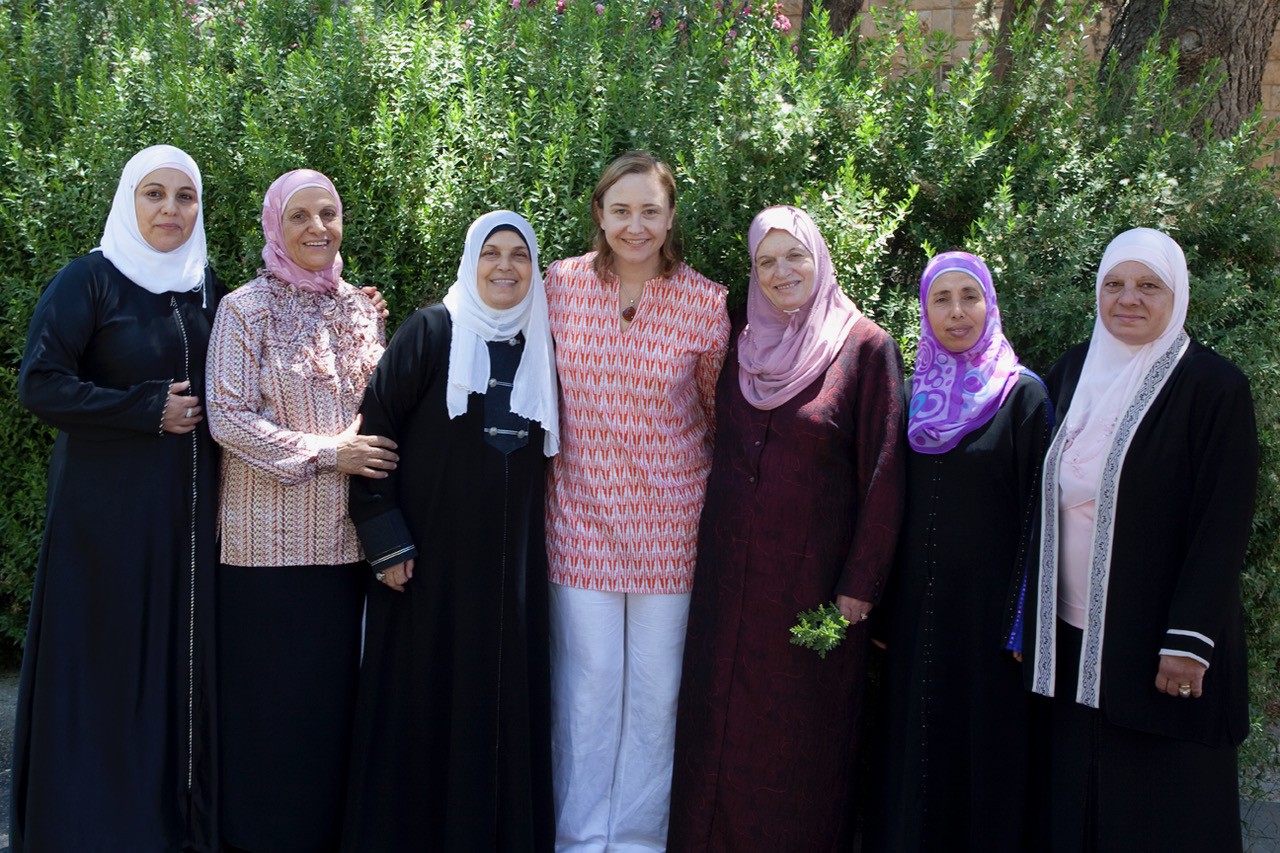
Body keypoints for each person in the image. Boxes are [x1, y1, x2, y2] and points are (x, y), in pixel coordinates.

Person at [668, 205, 906, 852]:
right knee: (714, 737)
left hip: (818, 604)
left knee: (801, 744)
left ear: (820, 258)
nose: (781, 271)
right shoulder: (740, 340)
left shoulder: (865, 349)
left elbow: (884, 476)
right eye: (766, 260)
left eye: (794, 255)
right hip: (726, 596)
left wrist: (858, 592)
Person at [13, 144, 221, 851]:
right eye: (154, 194)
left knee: (172, 672)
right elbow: (39, 383)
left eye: (184, 196)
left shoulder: (206, 287)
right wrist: (142, 408)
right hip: (102, 523)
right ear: (129, 201)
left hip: (184, 524)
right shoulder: (89, 281)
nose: (170, 210)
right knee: (102, 672)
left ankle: (164, 829)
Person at [1025, 227, 1258, 851]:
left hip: (1159, 643)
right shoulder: (1072, 370)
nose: (1129, 299)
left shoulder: (1213, 387)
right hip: (1073, 636)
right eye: (1114, 285)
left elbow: (1222, 523)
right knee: (1077, 800)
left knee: (1157, 804)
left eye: (1148, 286)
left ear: (1176, 294)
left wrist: (1188, 643)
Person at [341, 209, 560, 851]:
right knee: (420, 701)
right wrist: (385, 538)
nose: (504, 267)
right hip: (424, 563)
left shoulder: (545, 343)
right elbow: (375, 431)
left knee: (500, 703)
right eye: (491, 252)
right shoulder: (431, 331)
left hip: (508, 567)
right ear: (471, 260)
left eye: (519, 255)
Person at [544, 151, 729, 851]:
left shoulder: (707, 304)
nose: (635, 224)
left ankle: (641, 839)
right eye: (621, 209)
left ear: (671, 216)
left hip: (672, 529)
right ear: (599, 213)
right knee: (586, 691)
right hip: (577, 521)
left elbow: (715, 413)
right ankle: (581, 837)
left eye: (650, 209)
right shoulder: (556, 285)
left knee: (656, 694)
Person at [206, 168, 391, 852]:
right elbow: (226, 418)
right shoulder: (243, 308)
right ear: (274, 226)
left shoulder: (359, 307)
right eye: (301, 216)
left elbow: (379, 407)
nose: (318, 228)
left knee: (327, 717)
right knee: (267, 716)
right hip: (266, 554)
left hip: (344, 550)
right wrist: (326, 453)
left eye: (330, 213)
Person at [870, 252, 1051, 852]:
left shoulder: (1022, 397)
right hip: (915, 621)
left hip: (991, 626)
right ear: (923, 311)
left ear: (990, 305)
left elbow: (1040, 518)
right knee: (913, 754)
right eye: (940, 299)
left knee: (984, 757)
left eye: (968, 297)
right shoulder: (910, 397)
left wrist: (1025, 622)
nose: (955, 312)